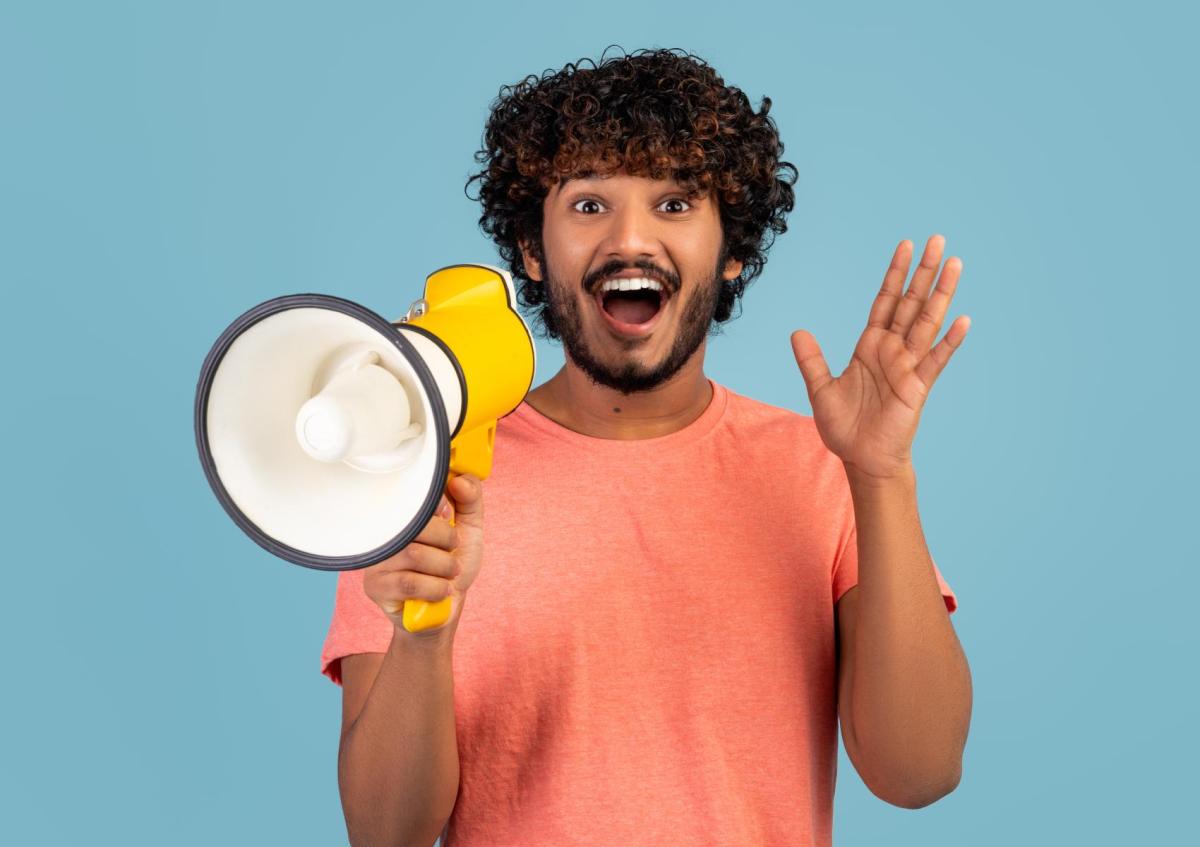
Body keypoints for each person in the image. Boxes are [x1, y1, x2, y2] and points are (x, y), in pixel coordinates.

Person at [321, 47, 973, 847]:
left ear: (732, 250)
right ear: (532, 249)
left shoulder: (821, 471)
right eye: (589, 204)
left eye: (674, 203)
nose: (631, 240)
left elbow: (920, 771)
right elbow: (384, 833)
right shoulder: (422, 474)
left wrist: (880, 475)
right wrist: (424, 637)